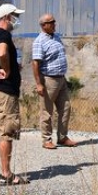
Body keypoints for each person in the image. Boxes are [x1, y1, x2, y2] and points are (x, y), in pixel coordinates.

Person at [0, 3, 27, 185]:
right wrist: (8, 70)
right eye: (16, 15)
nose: (18, 20)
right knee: (6, 132)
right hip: (4, 92)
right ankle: (7, 173)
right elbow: (2, 53)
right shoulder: (3, 35)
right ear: (8, 17)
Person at [32, 13, 78, 149]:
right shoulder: (39, 41)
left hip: (61, 79)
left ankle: (63, 137)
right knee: (47, 110)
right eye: (51, 22)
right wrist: (39, 84)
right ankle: (46, 139)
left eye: (54, 22)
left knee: (65, 108)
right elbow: (35, 63)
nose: (54, 24)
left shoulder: (56, 38)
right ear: (43, 25)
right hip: (49, 80)